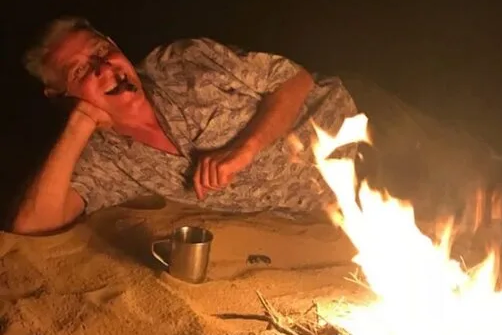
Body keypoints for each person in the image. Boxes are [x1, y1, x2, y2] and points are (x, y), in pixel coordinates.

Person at [12, 16, 359, 235]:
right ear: (60, 94)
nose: (105, 68)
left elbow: (295, 80)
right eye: (80, 71)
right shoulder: (108, 161)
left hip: (363, 126)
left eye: (102, 51)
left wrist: (244, 149)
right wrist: (79, 122)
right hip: (344, 208)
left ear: (115, 45)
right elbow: (32, 224)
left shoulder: (182, 62)